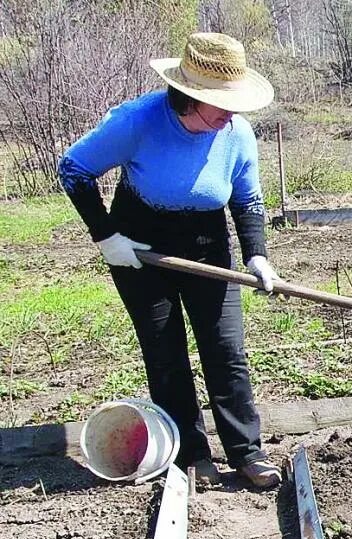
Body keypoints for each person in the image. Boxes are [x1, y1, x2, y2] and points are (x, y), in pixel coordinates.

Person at [58, 33, 282, 489]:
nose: (230, 115)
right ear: (189, 97)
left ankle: (246, 452)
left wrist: (257, 256)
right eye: (220, 105)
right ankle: (192, 454)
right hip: (140, 248)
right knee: (166, 353)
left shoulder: (236, 134)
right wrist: (107, 237)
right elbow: (74, 169)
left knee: (226, 351)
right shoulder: (138, 121)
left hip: (206, 242)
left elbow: (248, 199)